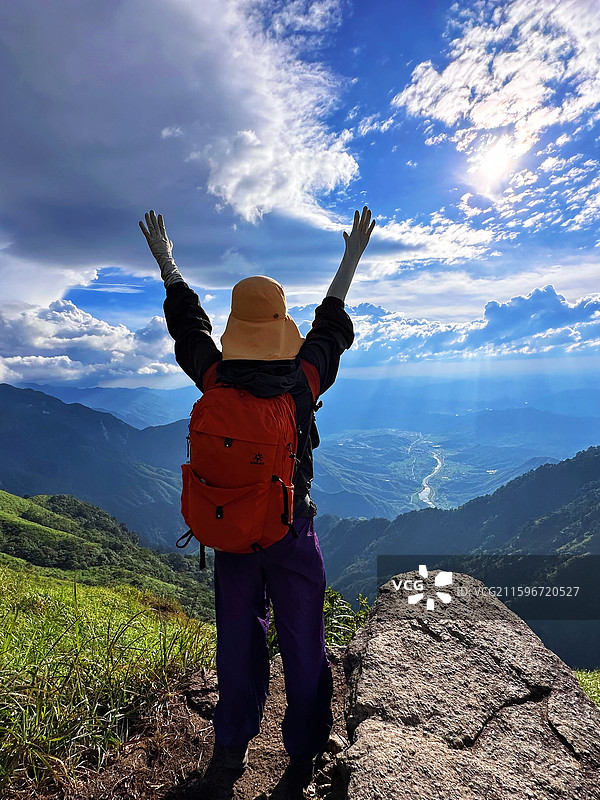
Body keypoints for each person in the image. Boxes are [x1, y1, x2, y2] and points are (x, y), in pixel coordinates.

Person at [139, 205, 375, 799]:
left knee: (237, 640)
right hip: (290, 532)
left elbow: (186, 329)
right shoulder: (302, 379)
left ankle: (230, 750)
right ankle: (302, 754)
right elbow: (331, 325)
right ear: (279, 325)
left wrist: (167, 264)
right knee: (303, 640)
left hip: (233, 531)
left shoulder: (216, 379)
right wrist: (350, 260)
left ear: (236, 326)